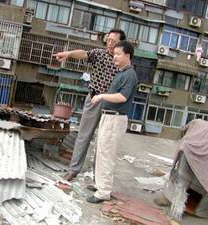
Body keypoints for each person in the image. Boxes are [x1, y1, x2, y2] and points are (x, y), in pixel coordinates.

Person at [54, 29, 126, 181]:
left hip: (111, 106)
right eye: (109, 39)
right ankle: (73, 170)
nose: (110, 43)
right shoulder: (100, 54)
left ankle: (98, 177)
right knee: (83, 136)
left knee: (103, 142)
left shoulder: (122, 62)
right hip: (93, 100)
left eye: (114, 41)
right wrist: (68, 54)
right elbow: (84, 53)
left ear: (121, 44)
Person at [86, 41, 138, 203]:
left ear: (127, 56)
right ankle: (100, 185)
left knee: (106, 155)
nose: (114, 57)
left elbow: (122, 97)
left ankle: (103, 192)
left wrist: (101, 96)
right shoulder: (121, 72)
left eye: (118, 54)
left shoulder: (130, 75)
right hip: (108, 116)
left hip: (115, 118)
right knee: (101, 152)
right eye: (114, 54)